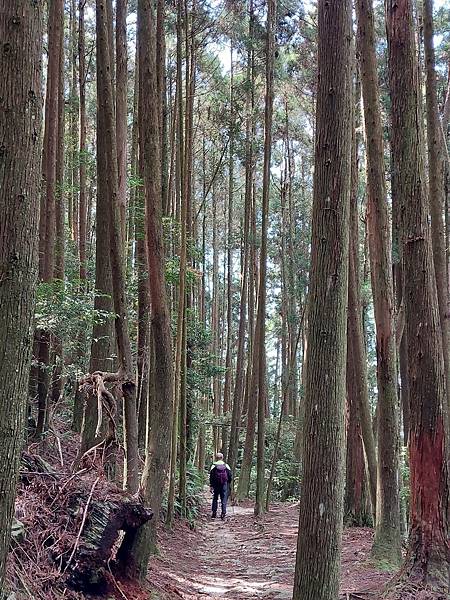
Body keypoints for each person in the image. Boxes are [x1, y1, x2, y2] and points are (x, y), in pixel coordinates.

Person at [209, 452, 232, 519]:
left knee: (215, 498)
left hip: (216, 484)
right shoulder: (226, 465)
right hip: (224, 484)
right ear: (222, 458)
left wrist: (211, 486)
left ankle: (214, 513)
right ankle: (223, 513)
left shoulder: (213, 466)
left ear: (216, 458)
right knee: (223, 498)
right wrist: (228, 483)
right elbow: (230, 475)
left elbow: (211, 477)